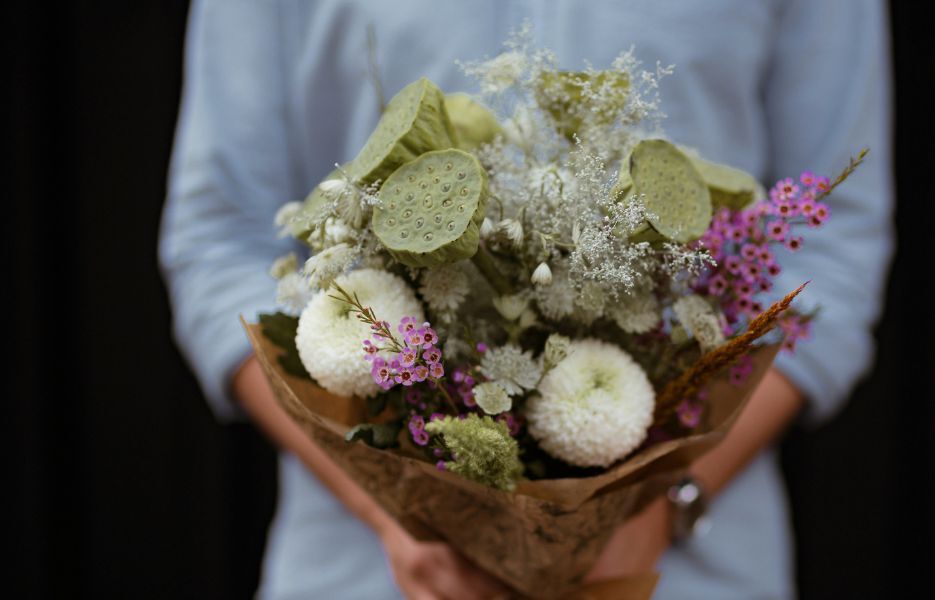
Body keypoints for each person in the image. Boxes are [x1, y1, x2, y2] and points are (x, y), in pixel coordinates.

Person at [159, 0, 893, 597]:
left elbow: (834, 240)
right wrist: (393, 508)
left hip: (688, 570)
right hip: (365, 569)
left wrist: (670, 502)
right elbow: (220, 240)